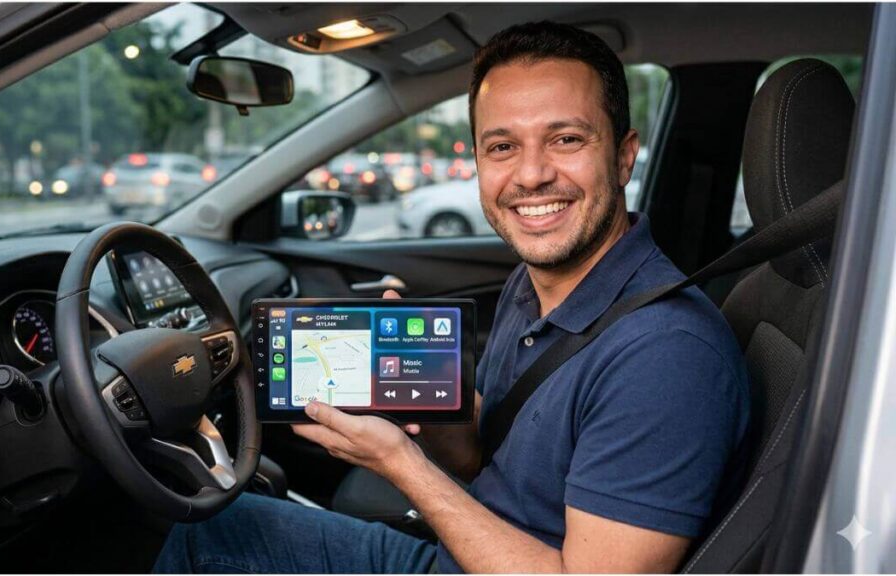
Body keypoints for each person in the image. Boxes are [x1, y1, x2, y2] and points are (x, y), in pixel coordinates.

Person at [154, 21, 749, 574]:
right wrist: (421, 400)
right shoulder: (536, 278)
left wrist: (400, 464)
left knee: (205, 533)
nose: (532, 175)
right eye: (502, 147)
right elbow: (480, 461)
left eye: (566, 139)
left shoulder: (667, 355)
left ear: (623, 156)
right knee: (219, 517)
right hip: (475, 542)